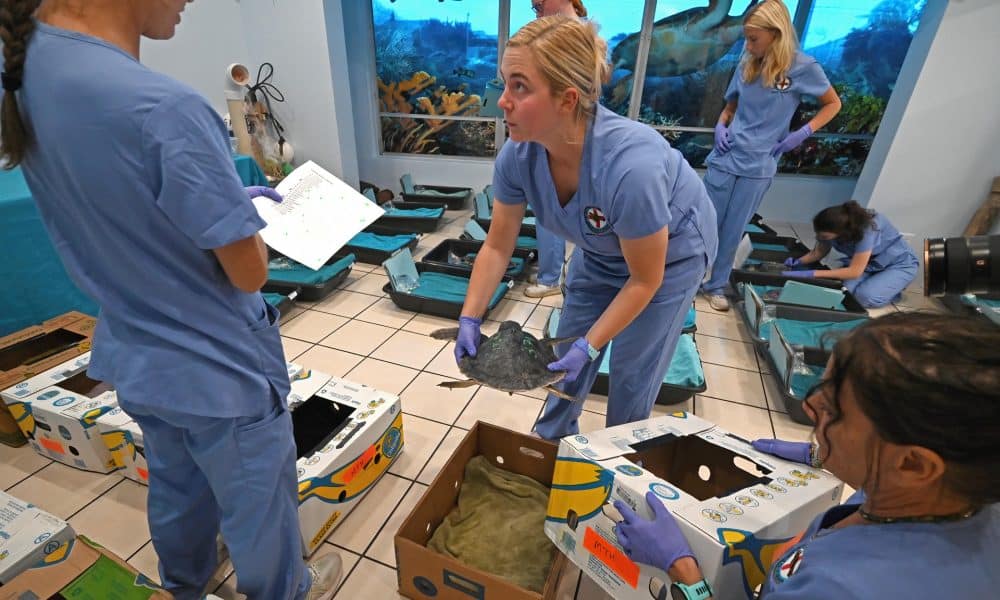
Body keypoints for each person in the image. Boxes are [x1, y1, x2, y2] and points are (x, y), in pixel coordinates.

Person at [2, 1, 340, 599]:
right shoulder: (165, 107)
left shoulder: (29, 81)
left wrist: (221, 200)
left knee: (179, 487)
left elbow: (131, 214)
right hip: (217, 368)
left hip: (139, 355)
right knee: (259, 510)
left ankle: (184, 587)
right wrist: (243, 220)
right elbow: (247, 273)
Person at [455, 16, 717, 440]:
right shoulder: (518, 157)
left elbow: (644, 279)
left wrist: (592, 346)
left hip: (670, 258)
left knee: (633, 367)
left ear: (567, 99)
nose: (502, 101)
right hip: (600, 250)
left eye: (519, 87)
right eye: (504, 83)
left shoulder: (631, 168)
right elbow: (498, 247)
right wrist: (469, 316)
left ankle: (621, 451)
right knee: (562, 355)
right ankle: (551, 440)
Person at [614, 312, 1000, 599]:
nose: (810, 406)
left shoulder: (841, 588)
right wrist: (821, 456)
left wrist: (687, 576)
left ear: (913, 464)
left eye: (834, 409)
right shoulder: (952, 493)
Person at [701, 0, 841, 311]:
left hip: (759, 163)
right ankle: (689, 277)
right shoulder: (747, 64)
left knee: (733, 228)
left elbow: (833, 104)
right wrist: (721, 125)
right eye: (747, 39)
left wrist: (802, 133)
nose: (748, 46)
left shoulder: (803, 68)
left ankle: (716, 285)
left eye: (754, 39)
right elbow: (731, 107)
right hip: (726, 155)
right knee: (704, 221)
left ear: (776, 34)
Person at [524, 0, 588, 298]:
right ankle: (553, 276)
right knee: (547, 206)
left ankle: (554, 279)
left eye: (539, 4)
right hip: (549, 135)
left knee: (566, 210)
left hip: (567, 139)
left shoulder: (581, 37)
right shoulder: (546, 32)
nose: (536, 9)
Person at [782, 201, 919, 308]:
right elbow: (818, 252)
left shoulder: (868, 229)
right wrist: (798, 262)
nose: (819, 237)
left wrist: (811, 273)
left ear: (843, 232)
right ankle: (879, 283)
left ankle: (895, 288)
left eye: (823, 235)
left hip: (898, 264)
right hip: (868, 266)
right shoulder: (833, 228)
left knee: (864, 297)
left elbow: (854, 272)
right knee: (846, 293)